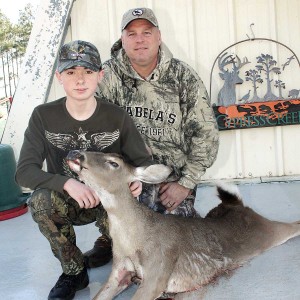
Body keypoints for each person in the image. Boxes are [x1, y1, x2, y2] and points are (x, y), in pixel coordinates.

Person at [15, 40, 153, 300]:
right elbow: (24, 171)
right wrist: (66, 183)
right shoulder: (43, 116)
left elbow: (142, 161)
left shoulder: (116, 116)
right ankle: (74, 272)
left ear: (99, 76)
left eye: (88, 72)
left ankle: (117, 251)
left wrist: (138, 181)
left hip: (108, 201)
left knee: (142, 210)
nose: (80, 80)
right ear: (59, 77)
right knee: (40, 202)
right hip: (68, 200)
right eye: (71, 72)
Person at [97, 7, 219, 217]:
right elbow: (93, 130)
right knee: (127, 238)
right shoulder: (106, 77)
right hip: (125, 177)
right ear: (122, 40)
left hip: (171, 182)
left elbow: (205, 133)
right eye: (132, 34)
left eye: (146, 32)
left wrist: (185, 184)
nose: (139, 40)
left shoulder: (183, 76)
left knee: (174, 242)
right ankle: (107, 237)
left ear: (159, 36)